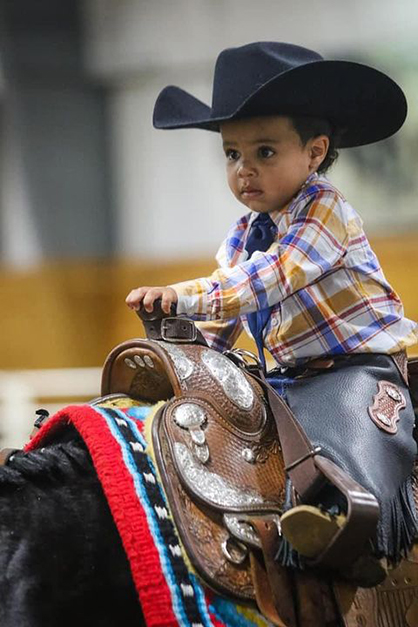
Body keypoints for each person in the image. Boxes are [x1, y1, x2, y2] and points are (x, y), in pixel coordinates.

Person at [126, 42, 418, 575]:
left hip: (354, 368)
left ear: (314, 152)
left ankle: (344, 527)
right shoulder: (241, 236)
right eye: (232, 155)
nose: (244, 171)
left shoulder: (324, 210)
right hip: (286, 377)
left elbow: (269, 279)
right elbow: (222, 325)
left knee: (349, 432)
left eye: (264, 152)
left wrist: (185, 295)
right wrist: (185, 358)